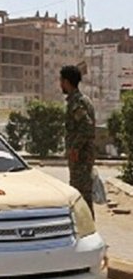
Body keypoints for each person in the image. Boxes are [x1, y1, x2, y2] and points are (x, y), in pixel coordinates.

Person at [61, 64, 96, 216]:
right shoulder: (83, 100)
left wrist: (75, 148)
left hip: (80, 158)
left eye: (61, 80)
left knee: (80, 195)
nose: (60, 84)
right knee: (83, 194)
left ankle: (87, 232)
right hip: (84, 156)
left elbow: (86, 126)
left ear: (66, 81)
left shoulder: (76, 102)